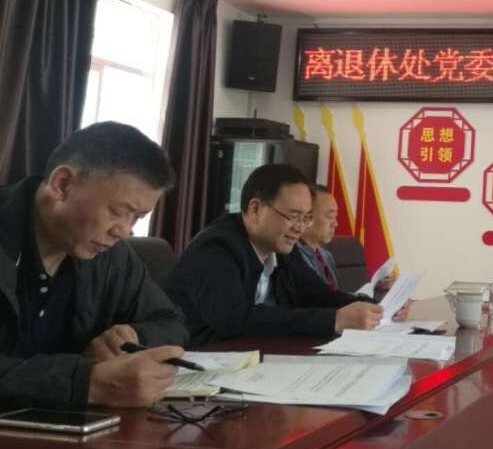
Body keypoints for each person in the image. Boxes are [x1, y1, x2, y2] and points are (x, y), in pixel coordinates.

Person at [0, 122, 188, 410]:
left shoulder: (112, 256)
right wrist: (85, 383)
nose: (124, 231)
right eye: (118, 211)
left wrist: (133, 336)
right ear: (63, 184)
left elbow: (172, 322)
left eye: (137, 217)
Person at [164, 164, 384, 345]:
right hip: (201, 361)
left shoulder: (282, 249)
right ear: (255, 209)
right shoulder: (215, 249)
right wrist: (333, 320)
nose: (300, 228)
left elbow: (319, 295)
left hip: (255, 356)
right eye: (293, 216)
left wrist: (371, 306)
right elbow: (235, 319)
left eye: (306, 218)